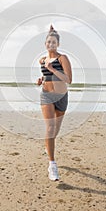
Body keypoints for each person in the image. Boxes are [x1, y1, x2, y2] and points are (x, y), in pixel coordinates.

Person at [37, 24, 72, 181]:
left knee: (55, 131)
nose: (51, 44)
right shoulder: (42, 60)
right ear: (45, 44)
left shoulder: (62, 58)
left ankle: (48, 146)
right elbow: (45, 76)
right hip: (46, 95)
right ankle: (52, 165)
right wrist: (41, 79)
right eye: (49, 42)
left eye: (54, 42)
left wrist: (52, 69)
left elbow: (68, 80)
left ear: (58, 44)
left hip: (61, 97)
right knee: (50, 128)